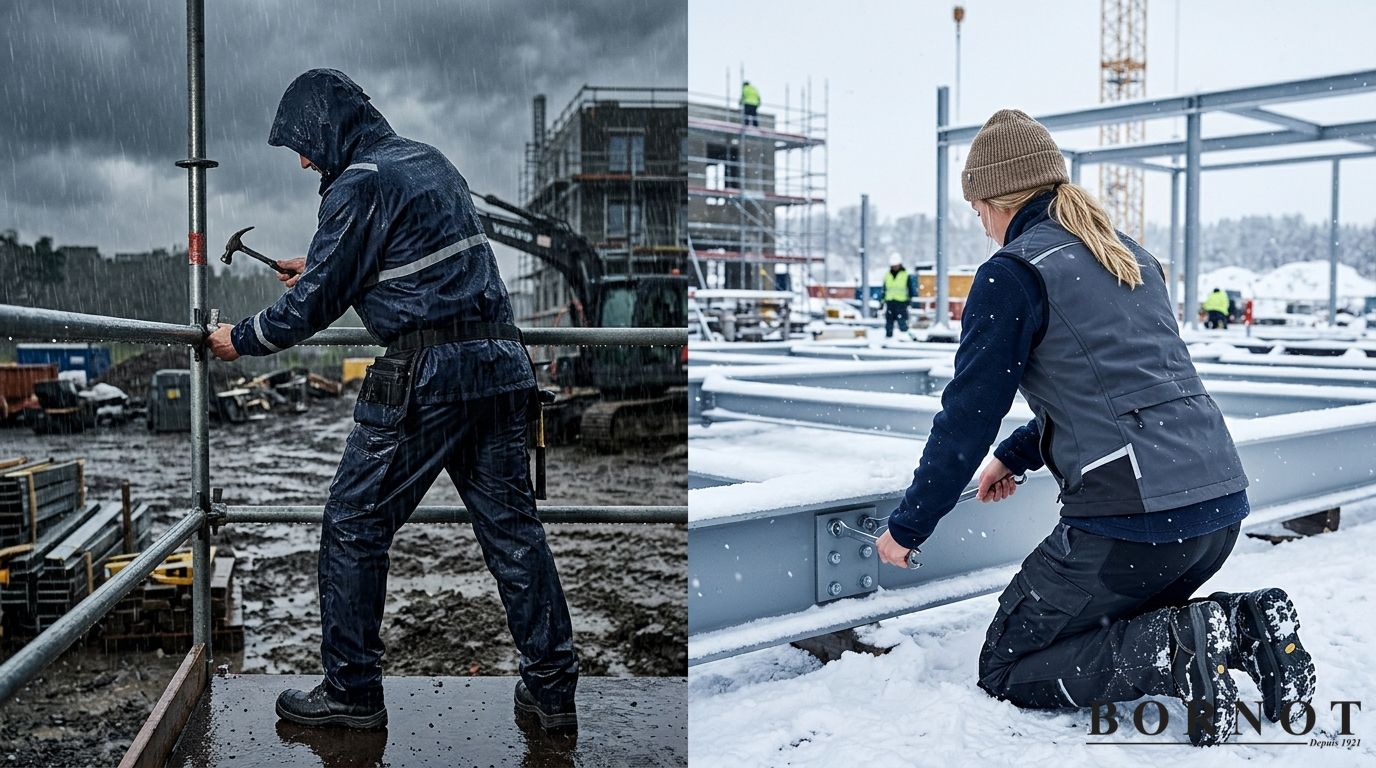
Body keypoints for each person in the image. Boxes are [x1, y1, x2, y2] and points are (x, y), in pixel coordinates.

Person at [872, 109, 1315, 746]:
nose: (984, 230)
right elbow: (1121, 387)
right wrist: (1018, 454)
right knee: (1088, 625)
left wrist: (908, 526)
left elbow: (966, 416)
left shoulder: (1014, 272)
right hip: (1217, 510)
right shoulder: (1129, 255)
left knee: (1008, 664)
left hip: (1135, 526)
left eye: (978, 213)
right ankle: (1245, 624)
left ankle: (1178, 648)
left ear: (1000, 201)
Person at [206, 69, 579, 731]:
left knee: (353, 527)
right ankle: (553, 693)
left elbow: (310, 308)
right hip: (500, 366)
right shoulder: (426, 162)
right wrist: (321, 263)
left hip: (430, 379)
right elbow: (411, 266)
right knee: (515, 537)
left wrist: (240, 338)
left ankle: (352, 693)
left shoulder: (358, 183)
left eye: (303, 144)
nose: (301, 160)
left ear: (328, 127)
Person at [883, 253, 912, 338]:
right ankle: (888, 338)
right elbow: (884, 288)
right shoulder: (887, 275)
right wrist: (882, 301)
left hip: (901, 302)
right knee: (889, 322)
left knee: (902, 322)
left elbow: (910, 288)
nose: (895, 267)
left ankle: (905, 338)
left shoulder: (905, 274)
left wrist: (909, 300)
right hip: (890, 302)